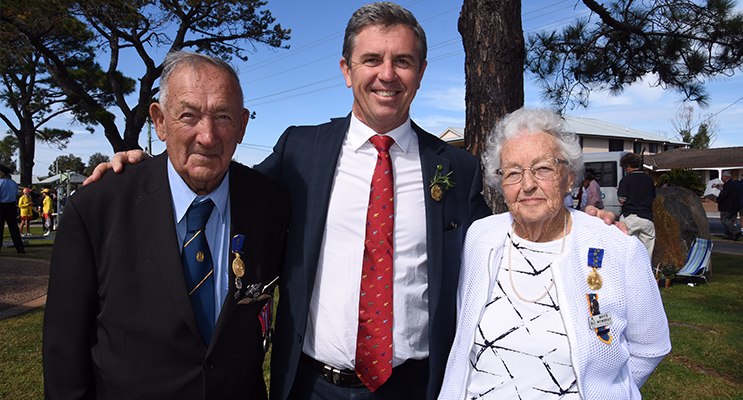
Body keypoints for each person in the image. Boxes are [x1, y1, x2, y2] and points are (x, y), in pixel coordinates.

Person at [85, 4, 623, 398]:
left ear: (419, 73)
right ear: (346, 71)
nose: (386, 74)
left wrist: (578, 221)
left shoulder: (453, 167)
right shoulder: (301, 149)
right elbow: (222, 179)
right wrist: (145, 168)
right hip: (314, 385)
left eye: (403, 61)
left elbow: (506, 241)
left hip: (417, 384)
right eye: (371, 59)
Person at [42, 51, 291, 399]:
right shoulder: (97, 207)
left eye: (223, 116)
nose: (207, 136)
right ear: (159, 122)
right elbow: (63, 352)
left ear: (242, 125)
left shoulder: (272, 205)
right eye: (188, 115)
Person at [439, 107, 671, 399]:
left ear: (569, 178)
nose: (527, 184)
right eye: (512, 172)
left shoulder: (617, 248)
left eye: (543, 168)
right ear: (501, 184)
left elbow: (650, 347)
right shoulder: (480, 237)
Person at [617, 153, 657, 257]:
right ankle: (645, 271)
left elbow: (622, 200)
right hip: (647, 218)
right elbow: (653, 196)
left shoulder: (626, 180)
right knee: (647, 251)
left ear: (628, 166)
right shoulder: (649, 179)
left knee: (627, 249)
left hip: (630, 217)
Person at [0, 170, 25, 253]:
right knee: (14, 228)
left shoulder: (0, 182)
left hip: (1, 205)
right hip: (11, 206)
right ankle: (20, 248)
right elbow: (16, 194)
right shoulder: (13, 183)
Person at [715, 170, 740, 241]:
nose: (722, 178)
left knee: (724, 219)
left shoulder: (727, 185)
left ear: (726, 177)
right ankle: (729, 235)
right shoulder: (733, 184)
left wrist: (718, 199)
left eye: (723, 177)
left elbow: (724, 194)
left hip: (727, 206)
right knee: (730, 220)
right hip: (734, 206)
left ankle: (736, 231)